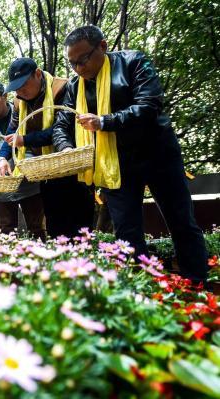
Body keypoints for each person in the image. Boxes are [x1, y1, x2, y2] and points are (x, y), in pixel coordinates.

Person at [52, 25, 208, 285]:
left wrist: (104, 121)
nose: (78, 68)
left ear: (102, 46)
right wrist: (67, 147)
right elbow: (61, 124)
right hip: (115, 164)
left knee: (180, 220)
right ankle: (140, 287)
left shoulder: (133, 62)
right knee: (125, 232)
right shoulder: (74, 87)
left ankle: (197, 283)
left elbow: (149, 105)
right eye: (72, 63)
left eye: (83, 59)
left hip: (157, 154)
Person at [0, 58, 94, 238]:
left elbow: (61, 128)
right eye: (16, 88)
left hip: (72, 164)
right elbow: (12, 131)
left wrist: (25, 140)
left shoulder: (62, 88)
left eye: (23, 85)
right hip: (47, 172)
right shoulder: (19, 101)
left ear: (38, 74)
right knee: (55, 224)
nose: (20, 92)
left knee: (80, 226)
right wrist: (2, 158)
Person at [0, 81, 46, 239]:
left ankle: (42, 260)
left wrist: (22, 167)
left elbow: (32, 143)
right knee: (6, 231)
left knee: (37, 228)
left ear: (4, 96)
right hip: (2, 187)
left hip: (29, 183)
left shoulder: (22, 114)